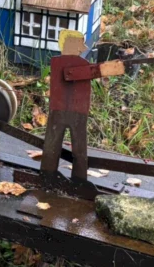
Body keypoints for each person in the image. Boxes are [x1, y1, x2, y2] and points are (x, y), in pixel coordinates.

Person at [41, 30, 124, 182]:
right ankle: (72, 178)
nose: (83, 48)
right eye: (80, 44)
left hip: (65, 110)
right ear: (71, 45)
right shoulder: (65, 63)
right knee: (74, 146)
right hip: (71, 110)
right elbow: (79, 72)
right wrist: (112, 68)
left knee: (57, 144)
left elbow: (89, 71)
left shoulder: (60, 62)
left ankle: (53, 173)